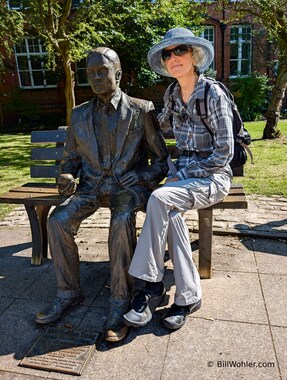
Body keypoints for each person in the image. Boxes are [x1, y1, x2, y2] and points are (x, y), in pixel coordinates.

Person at [35, 47, 168, 342]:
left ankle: (120, 301)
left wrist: (144, 175)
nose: (95, 78)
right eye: (90, 74)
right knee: (58, 220)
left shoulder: (141, 109)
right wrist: (67, 175)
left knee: (121, 221)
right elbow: (70, 159)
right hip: (91, 188)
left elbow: (161, 161)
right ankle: (68, 292)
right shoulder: (79, 114)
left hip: (126, 188)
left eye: (101, 72)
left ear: (117, 74)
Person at [123, 27, 234, 331]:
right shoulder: (172, 93)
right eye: (167, 53)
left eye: (180, 50)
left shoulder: (213, 94)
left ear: (194, 55)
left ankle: (150, 285)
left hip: (211, 177)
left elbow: (224, 153)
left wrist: (182, 175)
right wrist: (132, 118)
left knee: (158, 198)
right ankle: (188, 295)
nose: (173, 57)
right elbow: (159, 128)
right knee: (168, 214)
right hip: (181, 179)